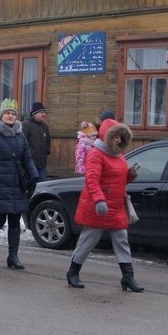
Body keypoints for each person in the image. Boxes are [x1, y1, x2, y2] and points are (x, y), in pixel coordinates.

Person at [66, 119, 144, 292]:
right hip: (98, 206)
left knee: (122, 240)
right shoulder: (96, 154)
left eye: (120, 137)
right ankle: (72, 272)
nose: (118, 140)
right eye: (115, 137)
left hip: (115, 207)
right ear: (107, 137)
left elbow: (119, 180)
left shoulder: (119, 154)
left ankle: (128, 278)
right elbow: (92, 180)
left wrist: (131, 175)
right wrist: (100, 200)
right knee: (88, 241)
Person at [0, 99, 39, 270]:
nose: (10, 116)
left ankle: (13, 256)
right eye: (8, 113)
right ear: (1, 116)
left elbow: (27, 158)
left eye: (13, 114)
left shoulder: (20, 136)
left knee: (15, 219)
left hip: (16, 184)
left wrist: (33, 175)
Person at [22, 101, 51, 182]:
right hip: (31, 163)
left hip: (42, 163)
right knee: (32, 185)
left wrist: (47, 150)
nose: (44, 115)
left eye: (44, 112)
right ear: (35, 114)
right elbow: (23, 141)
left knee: (43, 185)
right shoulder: (25, 125)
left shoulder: (44, 126)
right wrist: (31, 152)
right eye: (41, 113)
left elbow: (48, 140)